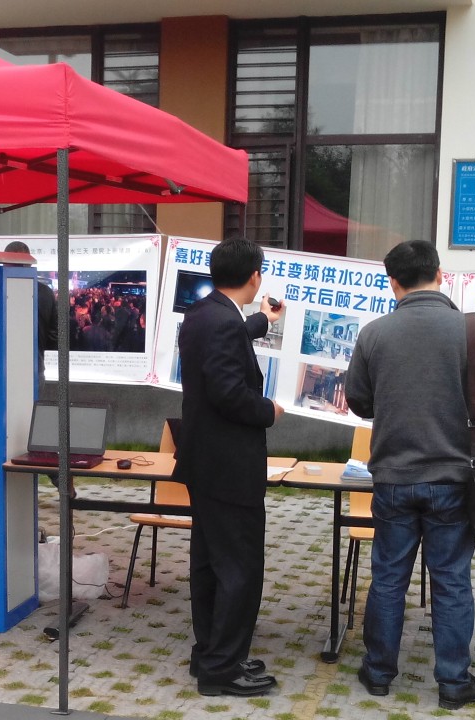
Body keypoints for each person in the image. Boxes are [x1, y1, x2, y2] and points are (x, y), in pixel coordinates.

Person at [344, 240, 475, 711]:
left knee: (388, 578)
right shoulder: (473, 329)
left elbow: (358, 401)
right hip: (455, 479)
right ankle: (453, 682)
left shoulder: (374, 334)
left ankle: (378, 673)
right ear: (440, 274)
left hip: (393, 477)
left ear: (392, 282)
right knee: (451, 580)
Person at [174, 238, 286, 698]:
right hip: (230, 466)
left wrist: (262, 320)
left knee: (209, 563)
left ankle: (211, 652)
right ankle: (223, 668)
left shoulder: (203, 313)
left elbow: (233, 335)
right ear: (255, 276)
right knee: (239, 567)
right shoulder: (222, 322)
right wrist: (268, 411)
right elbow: (227, 393)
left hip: (204, 464)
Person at [3, 241, 58, 380]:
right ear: (29, 262)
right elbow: (54, 334)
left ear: (4, 262)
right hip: (34, 366)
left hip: (1, 366)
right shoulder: (45, 292)